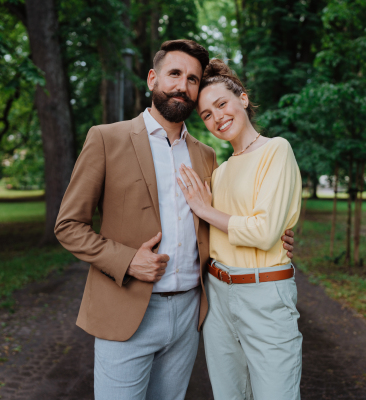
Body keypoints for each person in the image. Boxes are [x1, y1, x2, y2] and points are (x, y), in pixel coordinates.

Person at [54, 40, 295, 400]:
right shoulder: (106, 138)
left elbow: (228, 218)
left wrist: (278, 236)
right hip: (127, 308)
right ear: (153, 78)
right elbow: (68, 226)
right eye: (175, 74)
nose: (183, 85)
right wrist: (127, 259)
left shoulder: (208, 156)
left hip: (188, 314)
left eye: (193, 79)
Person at [176, 59, 303, 400]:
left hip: (264, 295)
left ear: (242, 100)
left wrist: (206, 209)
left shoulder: (276, 150)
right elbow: (222, 232)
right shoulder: (220, 171)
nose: (217, 118)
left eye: (222, 104)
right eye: (206, 114)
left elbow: (263, 232)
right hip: (218, 296)